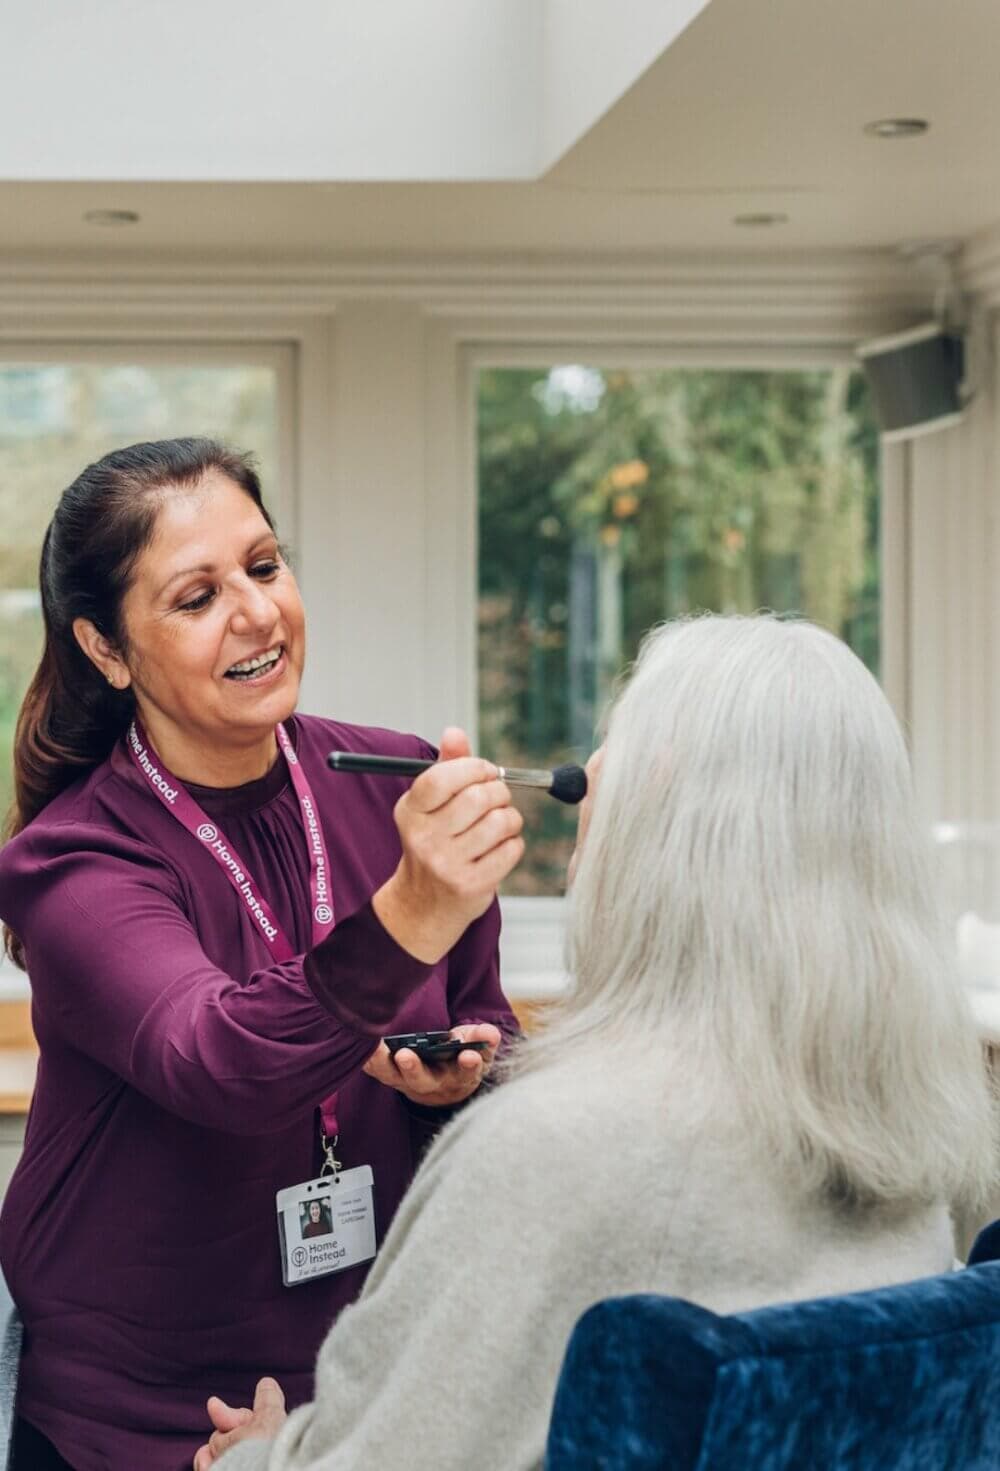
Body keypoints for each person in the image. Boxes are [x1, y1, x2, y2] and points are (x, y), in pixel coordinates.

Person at [196, 614, 996, 1471]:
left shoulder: (548, 1154)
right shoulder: (925, 1138)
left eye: (614, 741)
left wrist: (257, 1455)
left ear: (655, 815)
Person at [0, 438, 523, 1471]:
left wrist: (460, 1076)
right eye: (196, 597)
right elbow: (217, 1058)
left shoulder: (397, 779)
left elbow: (487, 1021)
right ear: (107, 650)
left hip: (364, 1396)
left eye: (265, 565)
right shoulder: (72, 857)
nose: (255, 613)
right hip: (142, 1421)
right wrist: (413, 908)